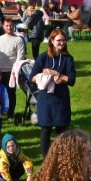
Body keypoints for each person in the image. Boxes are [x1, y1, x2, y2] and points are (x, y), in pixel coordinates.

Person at [32, 29, 76, 157]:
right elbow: (32, 78)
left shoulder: (68, 59)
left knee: (62, 130)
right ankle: (46, 159)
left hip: (61, 99)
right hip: (46, 99)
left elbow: (71, 80)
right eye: (58, 40)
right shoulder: (43, 57)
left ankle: (62, 156)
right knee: (45, 129)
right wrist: (46, 75)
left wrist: (58, 75)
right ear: (51, 41)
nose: (61, 43)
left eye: (63, 40)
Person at [0, 18, 25, 118]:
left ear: (13, 26)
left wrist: (16, 70)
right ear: (3, 26)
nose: (9, 27)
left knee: (10, 93)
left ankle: (10, 113)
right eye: (7, 26)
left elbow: (20, 56)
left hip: (11, 71)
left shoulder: (18, 39)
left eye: (10, 25)